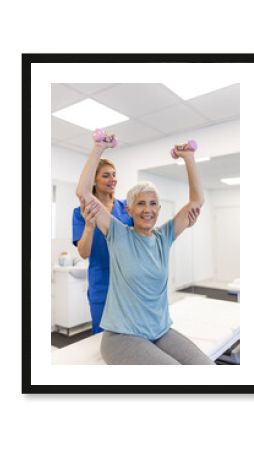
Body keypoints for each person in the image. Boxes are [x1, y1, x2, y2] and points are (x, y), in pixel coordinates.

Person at [76, 134, 215, 365]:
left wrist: (188, 158)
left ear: (159, 209)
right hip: (122, 336)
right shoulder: (118, 234)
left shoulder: (164, 236)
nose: (147, 209)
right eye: (140, 203)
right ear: (128, 210)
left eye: (152, 204)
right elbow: (83, 192)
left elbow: (196, 201)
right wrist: (98, 148)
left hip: (159, 331)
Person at [72, 151, 133, 334]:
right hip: (102, 285)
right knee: (103, 337)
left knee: (131, 336)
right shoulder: (82, 211)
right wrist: (90, 226)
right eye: (106, 175)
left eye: (114, 175)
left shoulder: (127, 207)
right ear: (94, 180)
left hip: (128, 282)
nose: (112, 179)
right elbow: (83, 253)